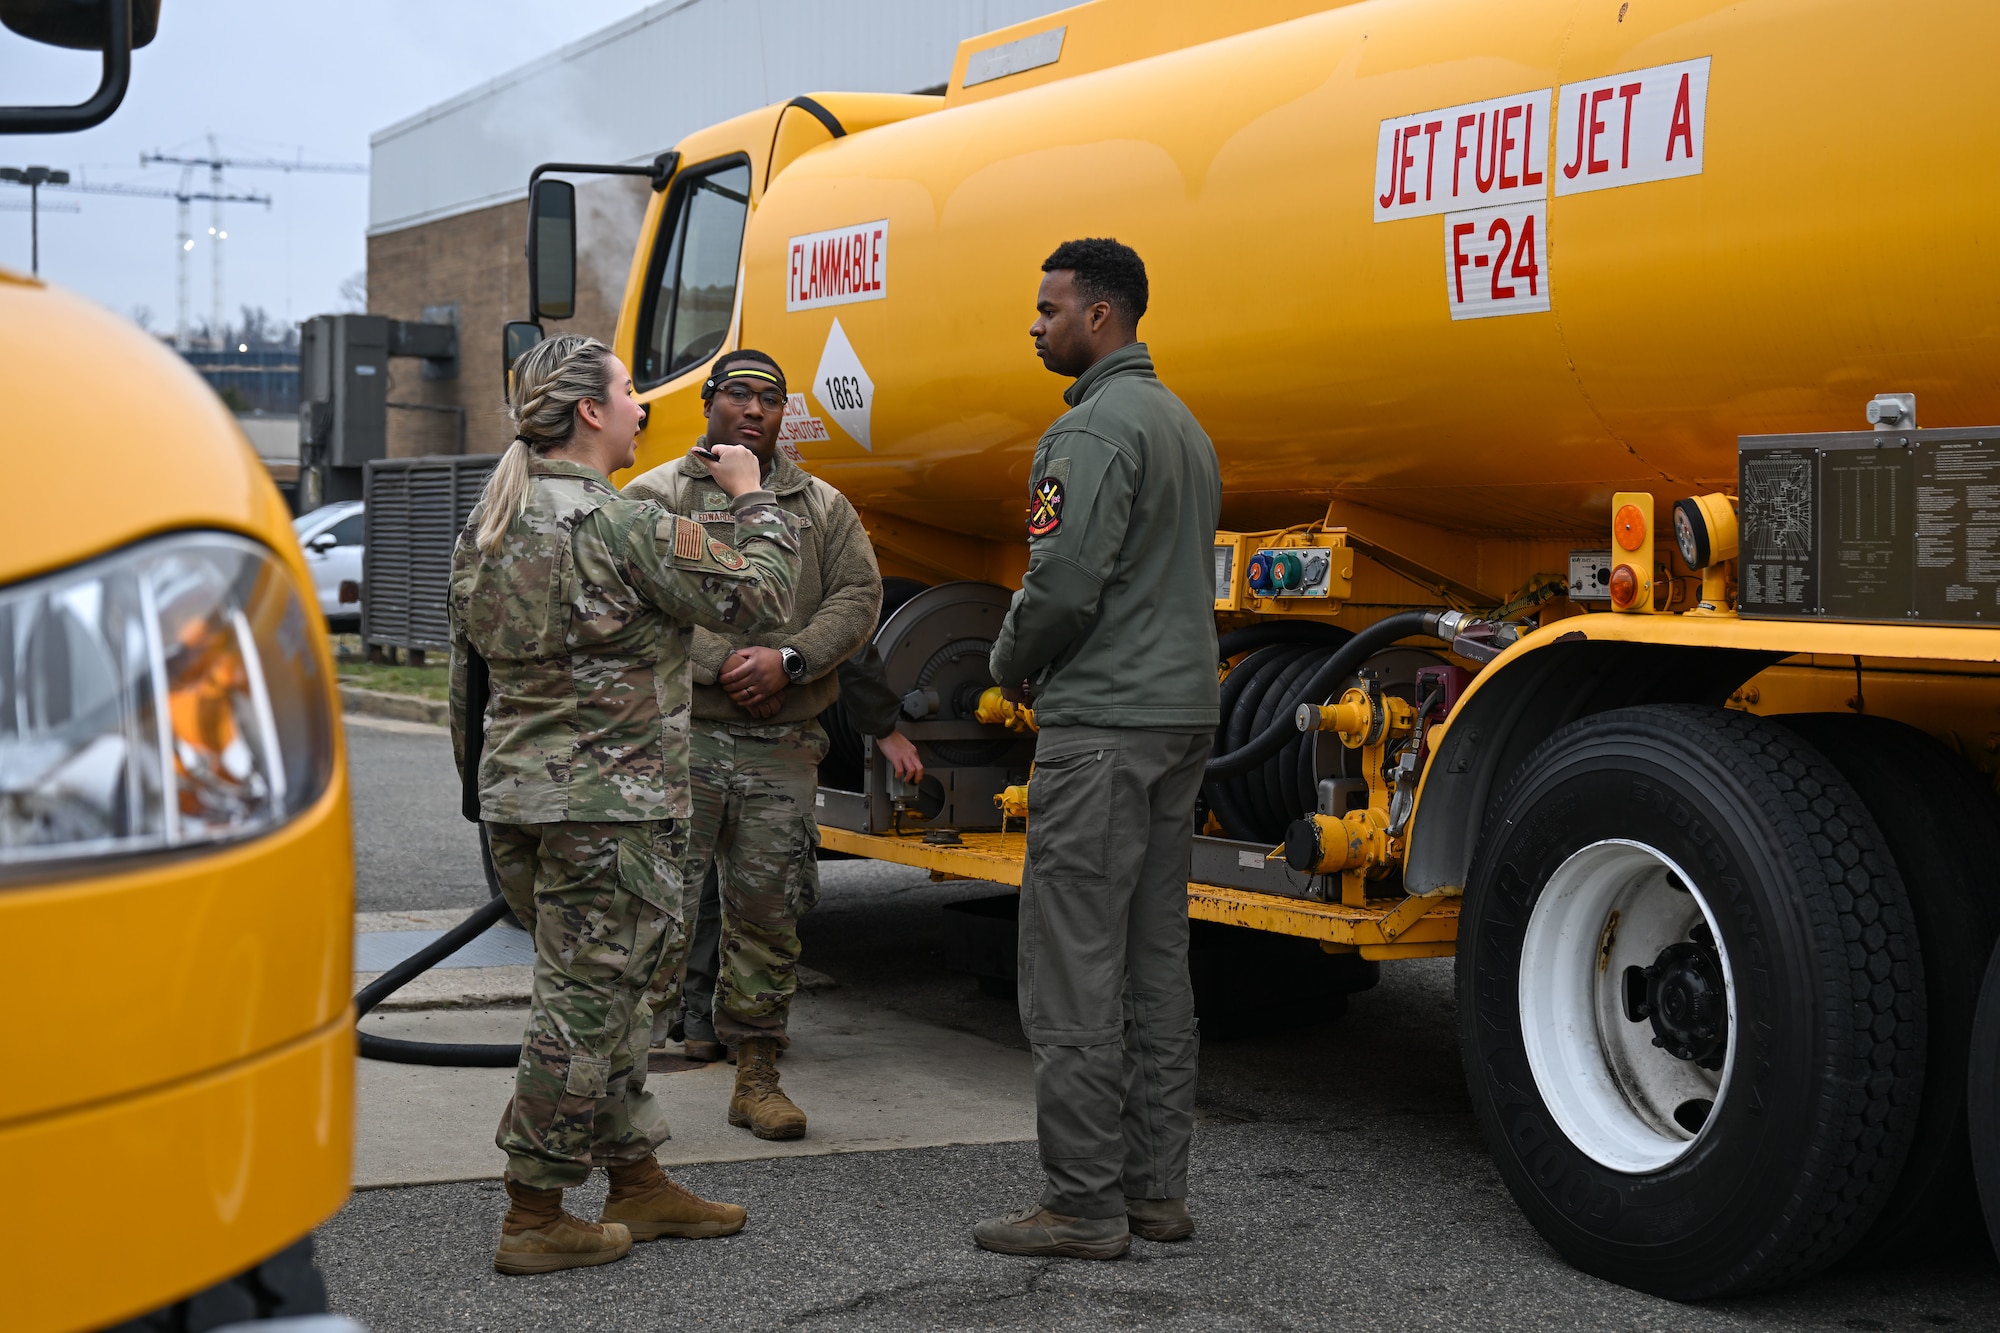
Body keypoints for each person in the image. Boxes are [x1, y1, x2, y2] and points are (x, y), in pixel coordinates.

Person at [448, 334, 799, 1275]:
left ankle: (637, 1177)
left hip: (525, 799)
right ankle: (534, 1209)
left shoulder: (490, 524)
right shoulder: (620, 525)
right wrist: (749, 491)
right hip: (612, 807)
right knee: (584, 1002)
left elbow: (464, 689)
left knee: (605, 992)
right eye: (633, 391)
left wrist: (485, 793)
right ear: (592, 413)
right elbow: (765, 596)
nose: (646, 407)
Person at [974, 239, 1222, 1260]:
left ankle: (1081, 1204)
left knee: (1072, 966)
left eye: (1048, 309)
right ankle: (1153, 1191)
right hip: (1178, 720)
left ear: (1101, 317)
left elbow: (1064, 584)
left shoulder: (1087, 432)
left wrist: (1005, 661)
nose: (1034, 325)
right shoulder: (1182, 426)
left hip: (1104, 729)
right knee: (1154, 963)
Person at [624, 349, 883, 1140]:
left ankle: (758, 1073)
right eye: (737, 393)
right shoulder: (659, 495)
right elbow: (625, 590)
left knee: (769, 912)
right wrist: (719, 662)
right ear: (709, 402)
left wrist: (790, 659)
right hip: (685, 737)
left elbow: (860, 594)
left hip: (782, 742)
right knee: (655, 907)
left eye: (769, 399)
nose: (753, 409)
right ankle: (617, 1085)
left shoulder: (820, 505)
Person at [670, 640, 924, 1064]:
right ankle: (748, 1038)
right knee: (762, 892)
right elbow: (849, 633)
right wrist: (881, 726)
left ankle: (701, 1021)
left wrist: (727, 673)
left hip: (693, 724)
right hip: (777, 736)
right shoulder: (807, 573)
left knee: (693, 885)